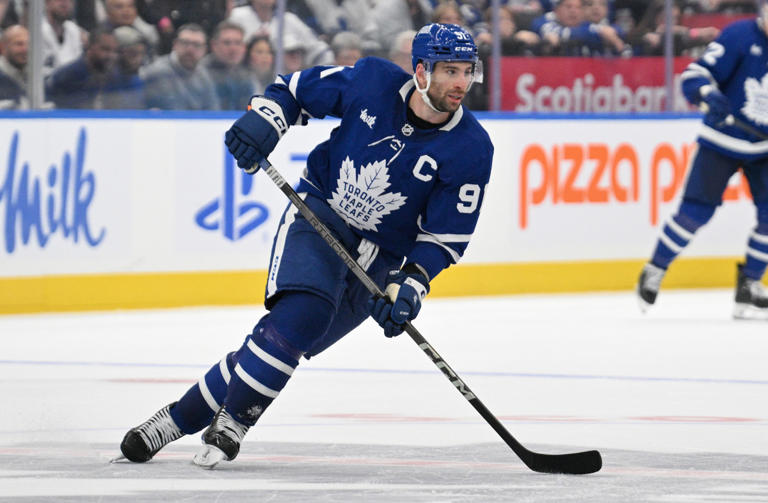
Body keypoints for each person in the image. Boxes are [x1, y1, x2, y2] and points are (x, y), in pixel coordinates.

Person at [117, 23, 494, 468]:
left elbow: (443, 237)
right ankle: (235, 420)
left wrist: (411, 283)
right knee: (302, 315)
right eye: (449, 70)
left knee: (281, 343)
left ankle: (175, 419)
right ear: (420, 70)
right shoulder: (372, 81)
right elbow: (294, 90)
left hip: (379, 260)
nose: (460, 82)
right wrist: (267, 119)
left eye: (467, 71)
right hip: (321, 219)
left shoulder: (472, 148)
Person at [637, 9, 768, 319]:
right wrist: (708, 94)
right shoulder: (739, 35)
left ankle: (750, 284)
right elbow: (697, 74)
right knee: (695, 212)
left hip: (763, 147)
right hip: (722, 140)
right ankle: (655, 268)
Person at [140, 23, 220, 110]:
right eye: (185, 43)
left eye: (196, 45)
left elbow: (213, 111)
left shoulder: (205, 75)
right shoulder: (154, 72)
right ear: (175, 45)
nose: (190, 49)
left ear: (205, 49)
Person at [45, 27, 123, 109]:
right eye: (105, 49)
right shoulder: (67, 76)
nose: (111, 55)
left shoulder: (116, 76)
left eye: (114, 51)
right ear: (89, 47)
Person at [201, 20, 253, 110]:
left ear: (244, 47)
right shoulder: (200, 73)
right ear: (214, 45)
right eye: (227, 43)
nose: (233, 48)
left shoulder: (247, 76)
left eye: (238, 43)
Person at [42, 0, 85, 77]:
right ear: (47, 2)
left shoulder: (74, 30)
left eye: (70, 1)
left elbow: (79, 67)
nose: (65, 3)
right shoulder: (37, 31)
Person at [0, 24, 28, 109]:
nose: (25, 49)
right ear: (3, 47)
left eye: (28, 44)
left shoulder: (36, 75)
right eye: (19, 44)